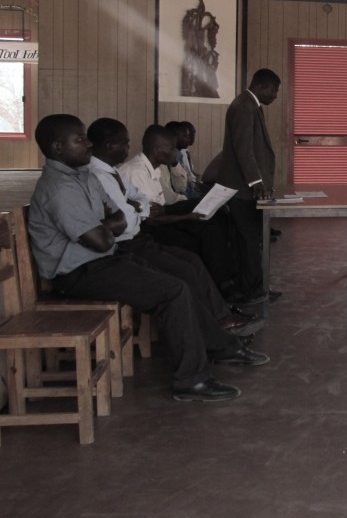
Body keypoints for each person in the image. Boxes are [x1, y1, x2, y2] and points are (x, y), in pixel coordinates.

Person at [27, 114, 267, 403]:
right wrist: (113, 222)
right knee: (172, 291)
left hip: (102, 260)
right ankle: (191, 381)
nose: (88, 143)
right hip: (79, 273)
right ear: (56, 148)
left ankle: (221, 346)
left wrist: (112, 221)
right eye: (80, 139)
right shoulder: (60, 189)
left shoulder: (82, 176)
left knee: (179, 278)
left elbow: (114, 217)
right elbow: (103, 238)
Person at [85, 117, 261, 334]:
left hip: (143, 229)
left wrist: (137, 207)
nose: (128, 149)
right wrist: (176, 214)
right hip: (136, 237)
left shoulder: (120, 172)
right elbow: (142, 215)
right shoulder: (120, 172)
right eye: (125, 144)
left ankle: (223, 300)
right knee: (195, 251)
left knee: (211, 230)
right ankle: (220, 305)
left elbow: (141, 201)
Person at [119, 124, 242, 297]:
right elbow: (151, 219)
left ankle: (227, 280)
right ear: (156, 150)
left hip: (162, 216)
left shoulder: (153, 167)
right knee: (204, 234)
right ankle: (223, 285)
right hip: (146, 230)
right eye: (171, 148)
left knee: (214, 219)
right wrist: (189, 216)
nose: (175, 152)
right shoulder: (136, 172)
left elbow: (161, 208)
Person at [217, 68, 281, 300]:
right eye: (274, 90)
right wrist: (257, 183)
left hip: (246, 187)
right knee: (250, 241)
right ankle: (251, 289)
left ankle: (254, 285)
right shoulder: (244, 106)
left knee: (252, 240)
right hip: (242, 188)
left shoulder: (250, 105)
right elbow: (245, 150)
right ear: (262, 86)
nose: (275, 95)